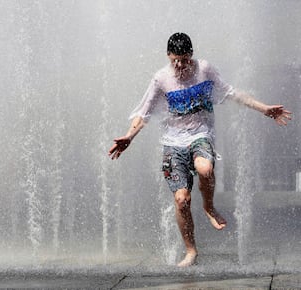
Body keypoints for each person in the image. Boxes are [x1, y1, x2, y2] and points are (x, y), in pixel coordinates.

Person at [108, 32, 292, 267]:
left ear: (191, 55)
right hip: (173, 143)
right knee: (181, 199)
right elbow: (143, 114)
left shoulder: (204, 70)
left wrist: (264, 108)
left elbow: (232, 93)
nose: (180, 65)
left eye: (184, 60)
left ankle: (208, 206)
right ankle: (191, 250)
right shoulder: (161, 79)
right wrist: (129, 137)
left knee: (204, 168)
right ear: (168, 56)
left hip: (200, 136)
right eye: (175, 60)